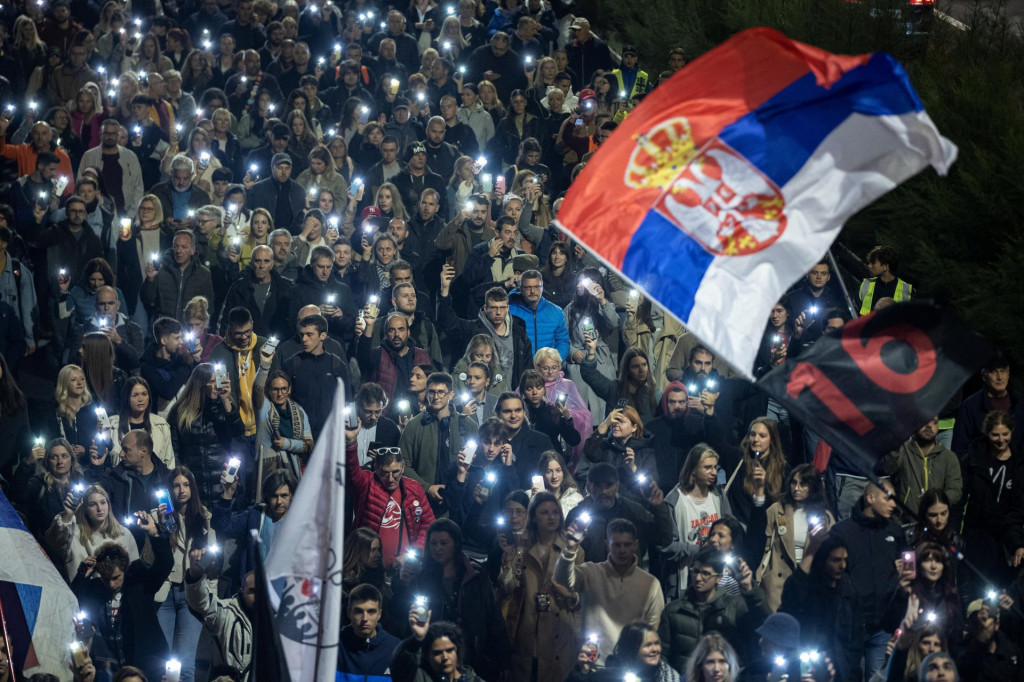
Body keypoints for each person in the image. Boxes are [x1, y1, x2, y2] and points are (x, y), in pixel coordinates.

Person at [392, 518, 510, 680]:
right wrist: (404, 584)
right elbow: (402, 612)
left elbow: (493, 616)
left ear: (456, 544)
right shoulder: (422, 578)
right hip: (434, 657)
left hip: (472, 656)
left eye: (443, 543)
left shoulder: (475, 576)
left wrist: (502, 658)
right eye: (433, 544)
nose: (438, 549)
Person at [71, 515, 173, 682]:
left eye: (116, 577)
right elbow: (74, 598)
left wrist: (155, 535)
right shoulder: (96, 589)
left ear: (125, 570)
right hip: (114, 667)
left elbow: (165, 564)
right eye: (106, 579)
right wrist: (82, 574)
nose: (111, 584)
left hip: (148, 663)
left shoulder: (140, 584)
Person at [496, 490, 581, 682]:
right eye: (544, 512)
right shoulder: (520, 547)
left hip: (559, 632)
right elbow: (509, 587)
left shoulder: (574, 550)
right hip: (527, 631)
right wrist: (508, 557)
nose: (551, 517)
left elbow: (582, 594)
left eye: (555, 512)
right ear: (533, 517)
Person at [553, 517, 665, 661]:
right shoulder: (591, 572)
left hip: (631, 664)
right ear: (607, 545)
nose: (622, 550)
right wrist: (570, 549)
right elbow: (562, 579)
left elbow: (654, 628)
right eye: (616, 545)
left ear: (635, 545)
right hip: (595, 663)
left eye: (627, 544)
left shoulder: (650, 584)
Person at [831, 479, 907, 680]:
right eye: (887, 498)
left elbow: (909, 570)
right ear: (870, 498)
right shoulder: (842, 531)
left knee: (878, 678)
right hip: (851, 627)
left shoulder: (896, 532)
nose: (893, 504)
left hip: (883, 626)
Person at [658, 546, 767, 671]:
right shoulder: (673, 611)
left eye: (705, 573)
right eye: (695, 571)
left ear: (719, 578)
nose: (698, 578)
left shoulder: (734, 607)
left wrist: (750, 590)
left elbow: (760, 627)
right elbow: (663, 656)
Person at [344, 421, 436, 568]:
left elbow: (428, 524)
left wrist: (416, 552)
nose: (391, 479)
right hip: (368, 566)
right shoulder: (368, 483)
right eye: (385, 473)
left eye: (395, 472)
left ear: (403, 467)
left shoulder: (414, 488)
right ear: (376, 468)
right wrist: (350, 442)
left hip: (405, 570)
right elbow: (352, 473)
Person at [156, 466, 216, 682]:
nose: (181, 490)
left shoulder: (204, 517)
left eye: (186, 484)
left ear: (193, 488)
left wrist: (211, 599)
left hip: (191, 593)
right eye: (175, 485)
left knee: (186, 664)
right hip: (164, 592)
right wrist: (161, 525)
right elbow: (152, 554)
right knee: (163, 662)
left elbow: (213, 563)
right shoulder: (160, 516)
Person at [758, 464, 835, 612]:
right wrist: (760, 574)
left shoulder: (824, 518)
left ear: (813, 487)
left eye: (803, 484)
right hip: (778, 581)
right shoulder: (776, 510)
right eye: (794, 482)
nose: (796, 488)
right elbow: (764, 545)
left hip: (809, 581)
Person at [399, 372, 478, 515]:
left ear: (451, 394)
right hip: (423, 503)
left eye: (441, 392)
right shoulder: (414, 426)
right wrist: (427, 487)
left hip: (460, 503)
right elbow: (403, 464)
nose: (436, 397)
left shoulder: (468, 425)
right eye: (432, 392)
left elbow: (479, 464)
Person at [660, 444, 731, 597]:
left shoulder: (719, 495)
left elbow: (731, 530)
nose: (713, 472)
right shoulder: (674, 500)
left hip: (717, 579)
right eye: (707, 467)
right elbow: (666, 546)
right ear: (693, 469)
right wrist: (697, 549)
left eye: (715, 467)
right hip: (685, 582)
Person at [168, 363, 245, 503]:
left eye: (219, 380)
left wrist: (225, 400)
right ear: (200, 384)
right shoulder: (180, 411)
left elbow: (238, 431)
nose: (217, 386)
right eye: (212, 381)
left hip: (223, 484)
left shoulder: (225, 407)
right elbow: (175, 451)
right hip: (195, 488)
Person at [45, 482, 139, 581]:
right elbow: (54, 540)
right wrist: (67, 515)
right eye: (92, 504)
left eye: (103, 502)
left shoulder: (124, 534)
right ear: (85, 509)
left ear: (108, 504)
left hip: (118, 595)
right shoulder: (74, 534)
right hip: (83, 593)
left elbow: (134, 570)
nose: (99, 508)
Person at [727, 417, 788, 566]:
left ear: (772, 439)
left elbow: (783, 505)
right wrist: (709, 415)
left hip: (767, 536)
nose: (755, 439)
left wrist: (762, 489)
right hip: (740, 536)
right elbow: (718, 444)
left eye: (762, 435)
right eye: (752, 434)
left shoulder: (783, 469)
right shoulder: (739, 460)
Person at [183, 553, 254, 680]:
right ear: (242, 590)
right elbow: (202, 603)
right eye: (252, 591)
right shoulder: (226, 612)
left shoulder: (276, 621)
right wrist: (195, 576)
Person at [282, 313, 351, 439]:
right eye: (302, 334)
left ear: (323, 335)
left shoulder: (337, 366)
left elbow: (347, 401)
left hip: (330, 438)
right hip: (299, 438)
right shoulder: (291, 365)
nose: (304, 339)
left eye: (309, 334)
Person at [881, 417, 963, 518]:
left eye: (934, 422)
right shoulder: (902, 451)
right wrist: (896, 445)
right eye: (925, 420)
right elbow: (886, 468)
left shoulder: (948, 457)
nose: (929, 426)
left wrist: (936, 499)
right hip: (903, 521)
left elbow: (955, 491)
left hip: (935, 522)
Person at [11, 437, 83, 541]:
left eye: (64, 456)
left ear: (71, 459)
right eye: (54, 457)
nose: (60, 462)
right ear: (47, 461)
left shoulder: (80, 480)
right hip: (51, 547)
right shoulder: (40, 484)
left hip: (78, 544)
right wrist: (28, 464)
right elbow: (17, 494)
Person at [953, 355, 1024, 456]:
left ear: (1008, 374)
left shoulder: (1020, 402)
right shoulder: (970, 406)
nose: (999, 377)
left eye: (1003, 371)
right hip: (981, 469)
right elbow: (960, 447)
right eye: (994, 371)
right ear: (984, 376)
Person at [65, 285, 145, 372]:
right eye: (102, 304)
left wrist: (119, 341)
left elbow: (138, 361)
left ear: (117, 305)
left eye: (111, 303)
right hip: (93, 377)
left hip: (123, 379)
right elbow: (73, 363)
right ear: (96, 306)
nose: (106, 308)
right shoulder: (83, 329)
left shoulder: (132, 328)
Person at [141, 230, 215, 322]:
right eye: (176, 246)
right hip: (164, 328)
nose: (179, 251)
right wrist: (150, 280)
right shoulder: (161, 270)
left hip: (188, 329)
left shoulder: (203, 274)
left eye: (184, 247)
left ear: (193, 250)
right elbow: (147, 300)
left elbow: (208, 308)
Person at [107, 377, 174, 468]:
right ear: (127, 398)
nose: (140, 399)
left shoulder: (160, 425)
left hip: (154, 480)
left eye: (144, 394)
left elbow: (169, 461)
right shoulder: (112, 425)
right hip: (121, 479)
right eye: (135, 395)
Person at [389, 619, 486, 682]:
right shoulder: (420, 678)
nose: (445, 657)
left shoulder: (474, 680)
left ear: (457, 650)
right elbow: (399, 668)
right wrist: (416, 639)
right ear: (427, 655)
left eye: (449, 650)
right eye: (437, 653)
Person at [338, 583, 402, 679]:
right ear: (349, 612)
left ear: (379, 614)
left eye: (371, 611)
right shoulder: (333, 645)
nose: (365, 618)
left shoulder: (395, 649)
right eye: (359, 611)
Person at [139, 316, 200, 416]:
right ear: (164, 341)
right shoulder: (147, 366)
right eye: (177, 338)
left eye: (181, 337)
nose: (181, 341)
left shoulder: (178, 359)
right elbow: (167, 391)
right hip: (159, 422)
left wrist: (196, 360)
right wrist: (187, 365)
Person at [509, 269, 570, 360]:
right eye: (528, 287)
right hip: (521, 369)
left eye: (536, 287)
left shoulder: (556, 311)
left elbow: (563, 341)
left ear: (542, 287)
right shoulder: (510, 311)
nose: (533, 291)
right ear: (521, 288)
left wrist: (555, 362)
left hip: (548, 370)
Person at [956, 599, 1021, 682]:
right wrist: (980, 641)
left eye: (985, 619)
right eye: (976, 622)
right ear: (970, 625)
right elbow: (967, 672)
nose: (981, 625)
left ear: (996, 624)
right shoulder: (963, 652)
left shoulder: (1011, 651)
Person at [352, 382, 402, 466]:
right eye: (368, 412)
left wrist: (383, 460)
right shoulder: (349, 425)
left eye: (378, 412)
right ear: (358, 406)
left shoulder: (390, 428)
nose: (373, 417)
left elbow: (398, 459)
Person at [859, 246, 913, 315]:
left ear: (886, 266)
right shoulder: (866, 284)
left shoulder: (906, 289)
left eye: (873, 262)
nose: (869, 265)